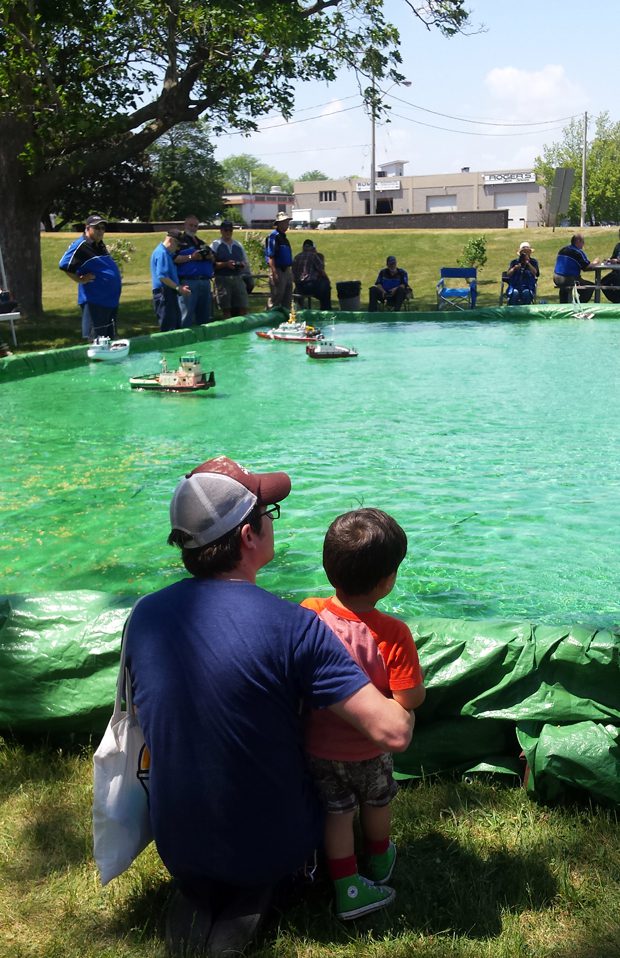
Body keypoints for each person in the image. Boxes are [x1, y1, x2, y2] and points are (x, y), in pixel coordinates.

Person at [124, 457, 413, 956]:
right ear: (247, 538)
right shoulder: (293, 627)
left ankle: (210, 890)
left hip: (177, 844)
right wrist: (405, 698)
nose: (271, 523)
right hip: (271, 846)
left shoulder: (144, 616)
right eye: (268, 514)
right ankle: (267, 882)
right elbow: (392, 733)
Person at [302, 508, 425, 921]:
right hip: (369, 751)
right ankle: (377, 859)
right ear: (387, 581)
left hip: (318, 747)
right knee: (377, 802)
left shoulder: (310, 613)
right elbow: (410, 698)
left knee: (336, 813)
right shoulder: (393, 633)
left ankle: (346, 885)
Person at [58, 215, 122, 340]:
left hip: (110, 302)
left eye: (103, 228)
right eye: (97, 227)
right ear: (87, 228)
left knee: (110, 342)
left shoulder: (99, 245)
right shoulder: (81, 245)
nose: (100, 230)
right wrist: (80, 279)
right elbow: (64, 264)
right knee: (97, 343)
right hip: (95, 302)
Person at [174, 215, 215, 326]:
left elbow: (213, 258)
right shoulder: (179, 242)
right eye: (190, 225)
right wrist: (191, 257)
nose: (193, 228)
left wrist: (209, 256)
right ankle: (183, 339)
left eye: (195, 226)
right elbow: (174, 259)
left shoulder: (200, 242)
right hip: (188, 281)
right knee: (186, 315)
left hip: (204, 281)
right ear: (185, 225)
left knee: (205, 316)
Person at [150, 229, 191, 332]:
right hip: (164, 294)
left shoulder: (167, 253)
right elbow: (162, 276)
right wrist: (178, 288)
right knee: (169, 328)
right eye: (178, 245)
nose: (178, 249)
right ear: (172, 240)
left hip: (169, 292)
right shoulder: (162, 253)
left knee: (176, 325)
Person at [211, 221, 250, 319]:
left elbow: (245, 262)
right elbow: (212, 264)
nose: (228, 232)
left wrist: (240, 265)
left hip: (238, 277)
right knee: (226, 308)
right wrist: (225, 264)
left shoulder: (238, 245)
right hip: (222, 279)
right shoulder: (215, 245)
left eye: (230, 230)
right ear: (221, 231)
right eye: (226, 230)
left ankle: (242, 327)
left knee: (243, 306)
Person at [553, 234, 600, 304]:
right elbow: (586, 267)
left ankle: (563, 305)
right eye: (583, 242)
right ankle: (577, 306)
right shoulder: (577, 252)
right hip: (568, 279)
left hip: (556, 278)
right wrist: (595, 262)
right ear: (578, 241)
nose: (583, 244)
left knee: (564, 288)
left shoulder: (563, 249)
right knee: (590, 287)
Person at [292, 239, 332, 310]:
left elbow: (293, 274)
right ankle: (326, 310)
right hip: (310, 285)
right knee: (326, 289)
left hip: (299, 287)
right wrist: (328, 280)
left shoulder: (296, 257)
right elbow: (321, 271)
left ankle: (300, 307)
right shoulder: (313, 256)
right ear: (313, 247)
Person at [265, 212, 294, 310]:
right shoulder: (274, 236)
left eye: (287, 222)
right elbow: (271, 256)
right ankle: (269, 317)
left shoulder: (284, 238)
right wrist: (274, 273)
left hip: (286, 270)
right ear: (279, 223)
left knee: (287, 298)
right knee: (276, 297)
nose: (287, 224)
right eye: (284, 222)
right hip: (278, 270)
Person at [505, 241, 539, 306]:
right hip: (515, 286)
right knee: (515, 293)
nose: (525, 254)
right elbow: (508, 274)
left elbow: (536, 273)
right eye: (524, 252)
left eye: (527, 252)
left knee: (526, 293)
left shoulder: (533, 262)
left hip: (528, 286)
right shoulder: (514, 262)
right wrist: (514, 268)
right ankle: (511, 312)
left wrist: (528, 263)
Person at [600, 228, 620, 304]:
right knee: (602, 282)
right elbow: (613, 258)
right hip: (616, 272)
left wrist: (617, 261)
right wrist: (609, 260)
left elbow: (617, 260)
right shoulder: (618, 246)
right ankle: (616, 301)